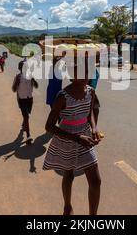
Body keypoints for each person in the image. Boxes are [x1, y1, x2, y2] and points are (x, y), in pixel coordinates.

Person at [43, 56, 102, 215]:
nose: (86, 75)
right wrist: (76, 138)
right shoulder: (63, 96)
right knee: (69, 175)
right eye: (80, 71)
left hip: (85, 137)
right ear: (70, 73)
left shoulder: (90, 91)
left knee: (96, 181)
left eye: (88, 71)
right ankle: (67, 206)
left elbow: (90, 113)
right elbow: (49, 126)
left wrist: (94, 128)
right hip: (67, 139)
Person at [12, 61, 38, 144]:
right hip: (22, 99)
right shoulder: (18, 77)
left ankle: (24, 125)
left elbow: (36, 86)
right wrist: (17, 83)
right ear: (20, 68)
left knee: (27, 115)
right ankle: (28, 135)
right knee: (26, 116)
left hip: (30, 99)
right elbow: (14, 89)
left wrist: (33, 80)